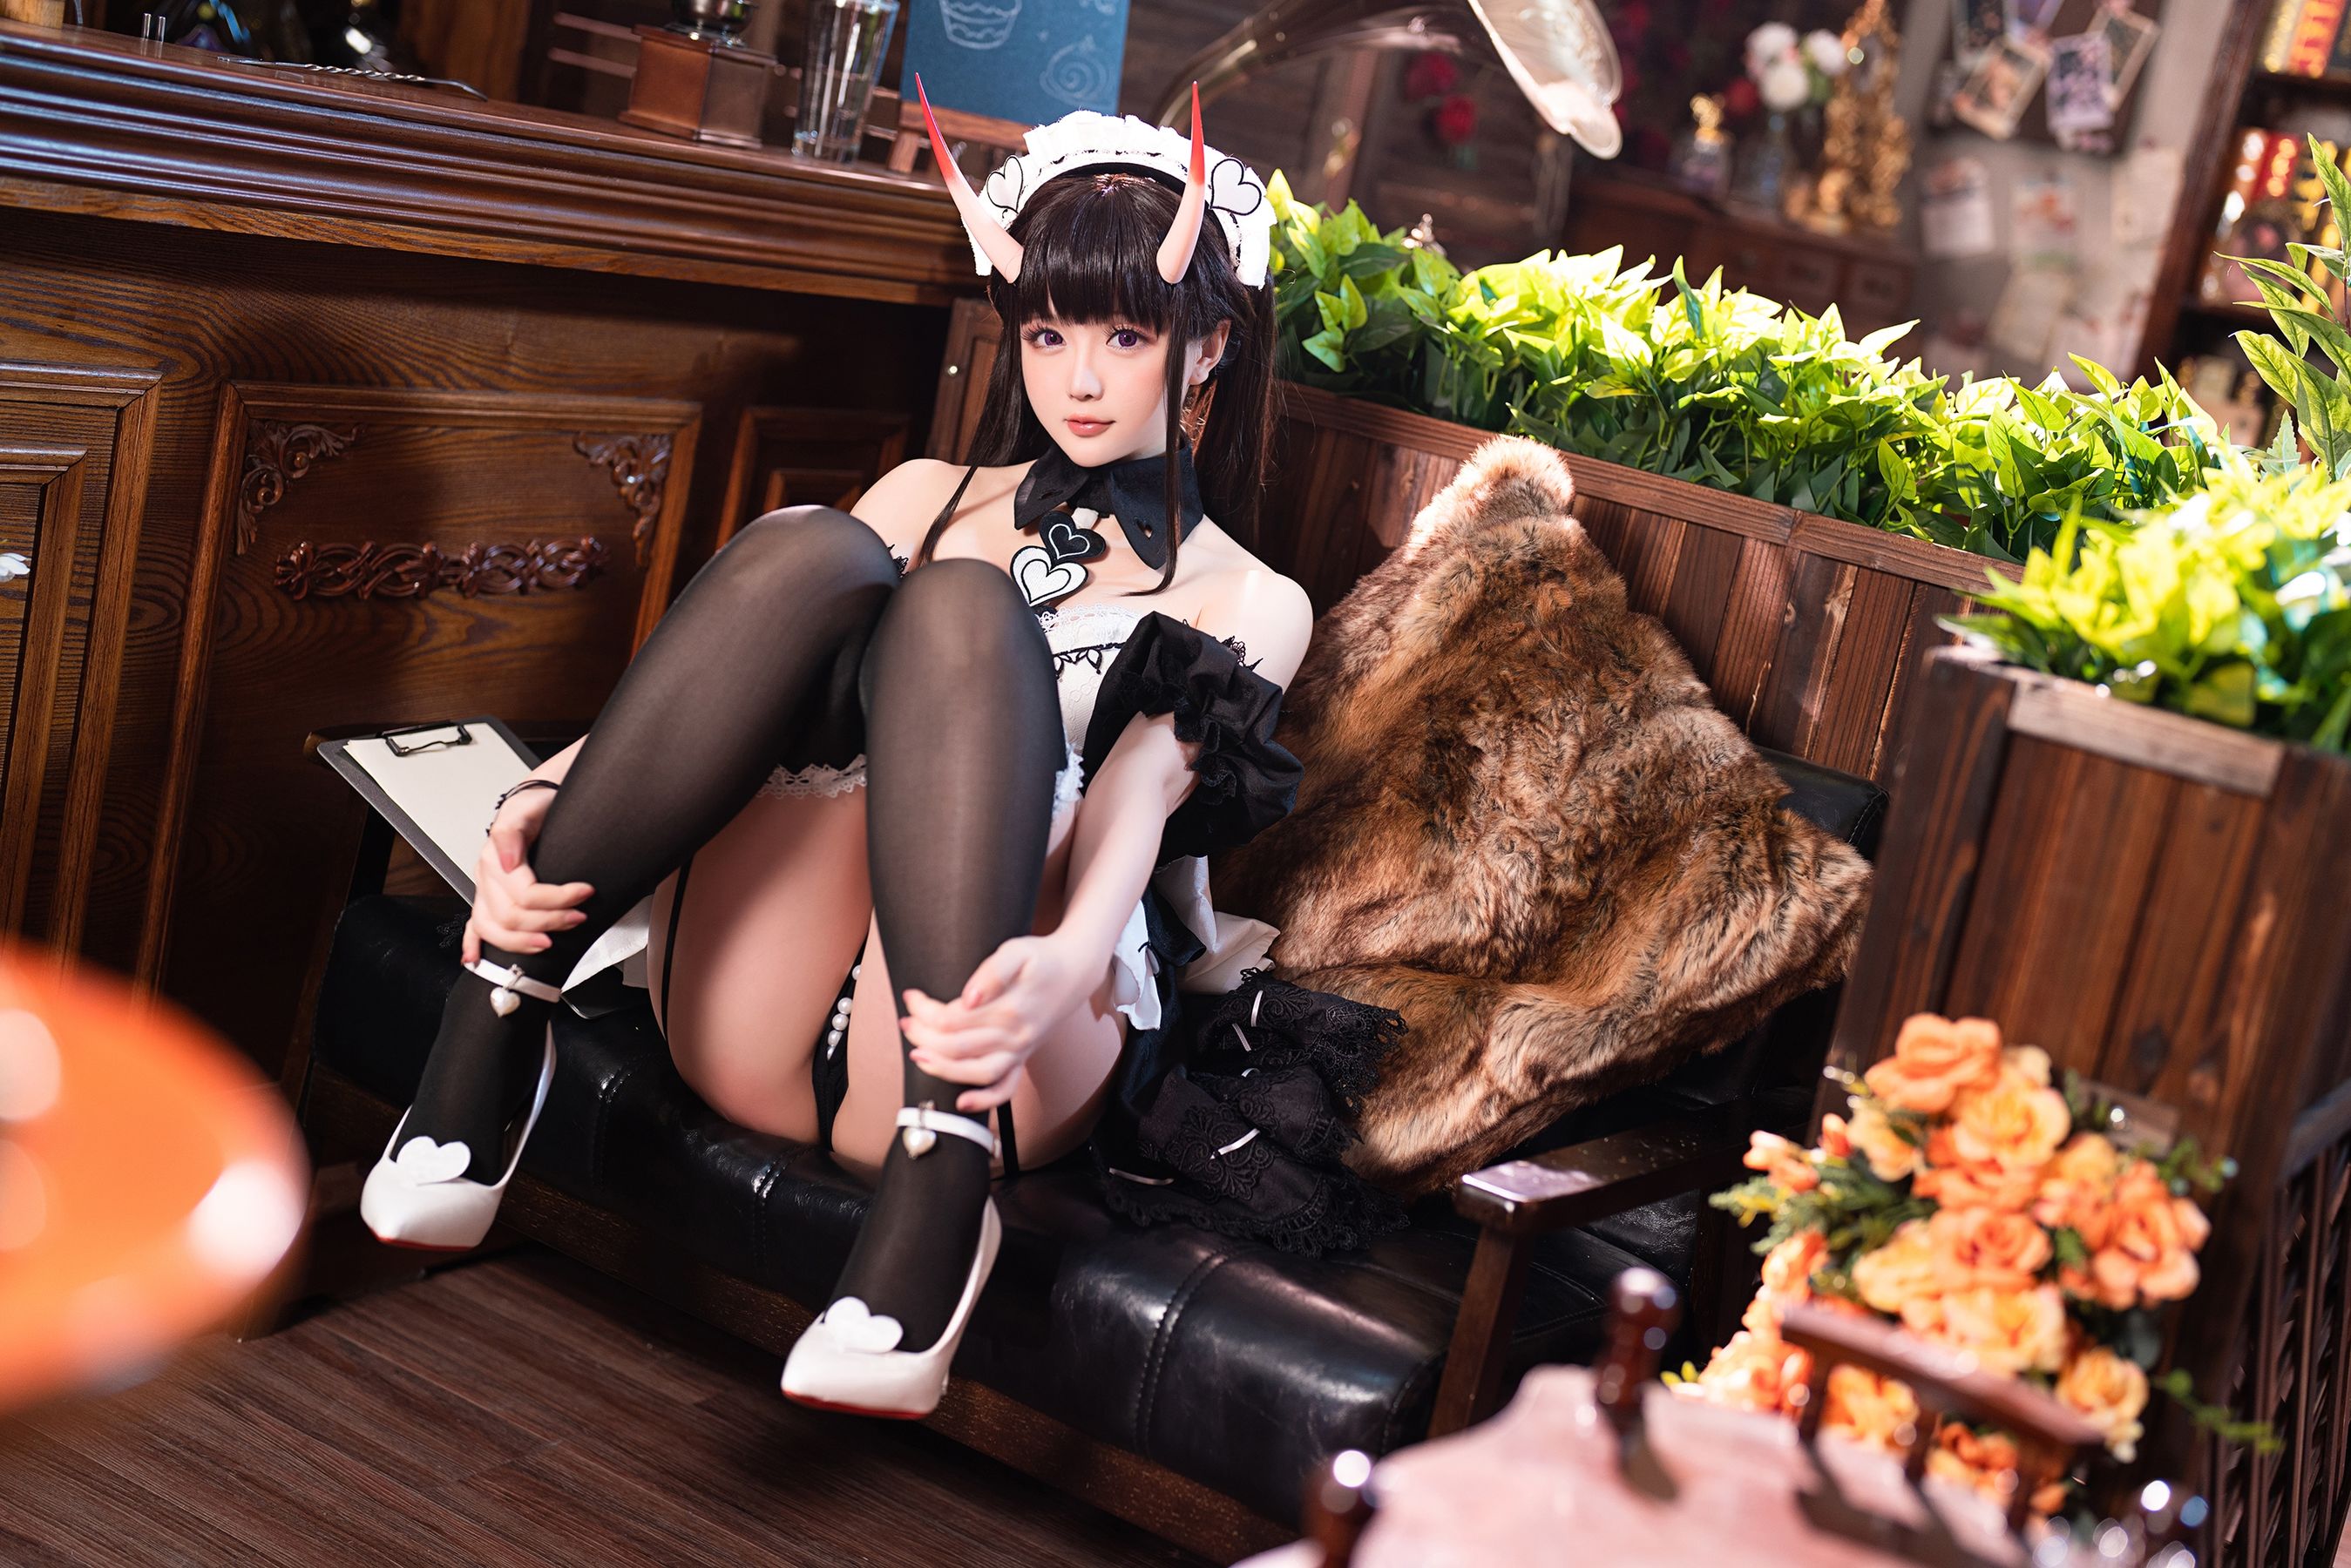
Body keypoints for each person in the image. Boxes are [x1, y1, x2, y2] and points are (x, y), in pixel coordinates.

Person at [356, 88, 1311, 1420]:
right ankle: (503, 1003)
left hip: (996, 1039)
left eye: (1125, 335)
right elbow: (731, 697)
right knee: (816, 549)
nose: (1079, 381)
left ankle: (939, 1197)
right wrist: (539, 797)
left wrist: (1070, 959)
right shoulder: (923, 496)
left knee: (962, 610)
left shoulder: (1250, 598)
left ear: (1207, 346)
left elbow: (1136, 805)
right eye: (1046, 334)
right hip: (753, 1001)